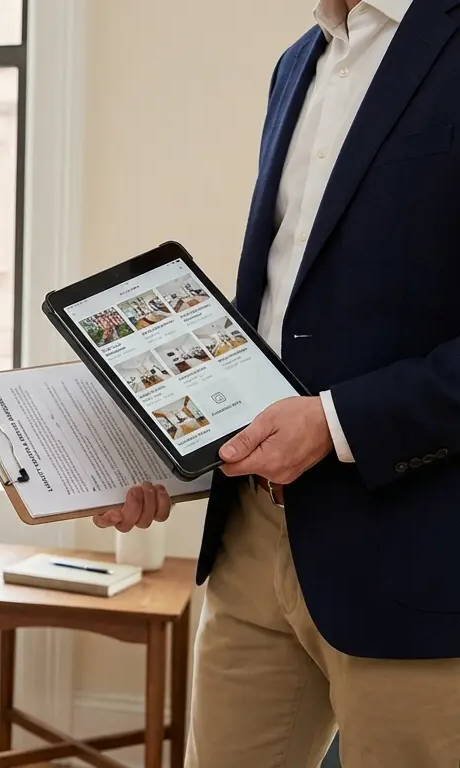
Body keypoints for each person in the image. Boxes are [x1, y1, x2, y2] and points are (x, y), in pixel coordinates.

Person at [98, 0, 460, 765]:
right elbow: (281, 309)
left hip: (418, 558)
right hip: (250, 540)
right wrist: (163, 443)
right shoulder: (297, 63)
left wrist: (333, 424)